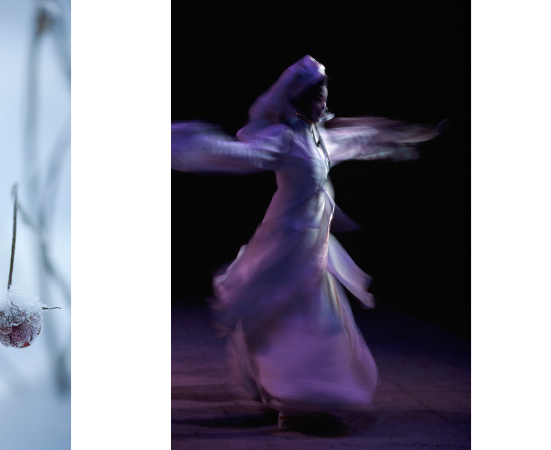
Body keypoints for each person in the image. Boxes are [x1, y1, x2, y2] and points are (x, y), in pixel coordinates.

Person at [172, 55, 439, 430]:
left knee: (302, 315)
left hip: (313, 243)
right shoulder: (285, 138)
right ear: (298, 101)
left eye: (325, 96)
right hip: (288, 240)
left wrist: (403, 137)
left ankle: (291, 395)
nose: (323, 103)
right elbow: (238, 154)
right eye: (316, 97)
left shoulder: (320, 137)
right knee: (297, 315)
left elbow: (359, 139)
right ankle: (296, 400)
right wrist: (187, 144)